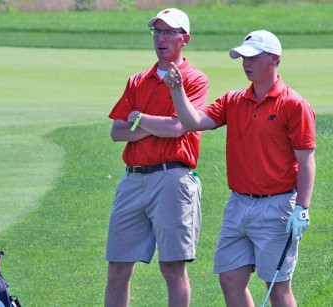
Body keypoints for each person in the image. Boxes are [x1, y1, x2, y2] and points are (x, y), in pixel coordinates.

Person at [164, 30, 316, 306]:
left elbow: (306, 160)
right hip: (238, 205)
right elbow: (194, 122)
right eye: (243, 57)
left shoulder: (294, 105)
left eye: (253, 57)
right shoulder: (233, 100)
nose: (246, 63)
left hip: (278, 207)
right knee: (230, 278)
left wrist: (302, 208)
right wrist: (177, 91)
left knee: (277, 287)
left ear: (274, 59)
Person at [104, 8, 209, 307]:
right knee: (118, 267)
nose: (161, 39)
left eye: (169, 33)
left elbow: (179, 127)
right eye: (157, 32)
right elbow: (117, 131)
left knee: (172, 268)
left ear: (184, 39)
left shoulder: (195, 79)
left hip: (172, 178)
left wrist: (138, 118)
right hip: (133, 178)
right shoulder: (138, 80)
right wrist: (153, 125)